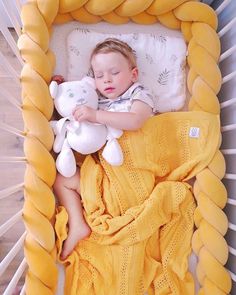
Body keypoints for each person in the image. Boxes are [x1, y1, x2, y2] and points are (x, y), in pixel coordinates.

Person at [53, 38, 155, 260]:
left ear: (133, 74)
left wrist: (96, 115)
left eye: (115, 72)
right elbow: (77, 98)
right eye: (99, 76)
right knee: (62, 179)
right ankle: (78, 224)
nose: (106, 79)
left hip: (132, 173)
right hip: (104, 176)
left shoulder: (138, 95)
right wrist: (60, 89)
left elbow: (136, 121)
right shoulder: (95, 99)